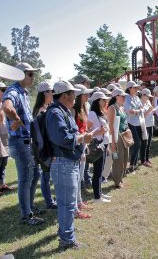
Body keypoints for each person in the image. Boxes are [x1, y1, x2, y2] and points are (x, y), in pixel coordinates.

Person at [46, 80, 93, 249]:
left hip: (67, 162)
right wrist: (82, 138)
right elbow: (62, 139)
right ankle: (67, 240)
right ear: (64, 95)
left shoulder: (62, 111)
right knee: (66, 204)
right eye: (73, 94)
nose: (76, 97)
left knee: (69, 203)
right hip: (63, 163)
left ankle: (67, 232)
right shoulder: (56, 113)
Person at [2, 62, 45, 225]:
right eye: (30, 74)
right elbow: (6, 106)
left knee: (35, 175)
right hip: (20, 142)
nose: (32, 77)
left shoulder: (24, 93)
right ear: (20, 74)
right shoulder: (13, 91)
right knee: (26, 179)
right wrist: (16, 119)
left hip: (27, 142)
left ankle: (30, 207)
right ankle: (26, 215)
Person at [32, 81, 56, 209]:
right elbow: (43, 134)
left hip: (47, 147)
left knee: (46, 175)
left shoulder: (46, 108)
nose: (52, 93)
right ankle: (49, 202)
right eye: (50, 91)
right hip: (44, 148)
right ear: (43, 93)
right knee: (45, 175)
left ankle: (50, 200)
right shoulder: (41, 110)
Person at [72, 84, 94, 218]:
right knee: (76, 178)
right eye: (85, 94)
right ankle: (75, 206)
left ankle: (79, 202)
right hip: (78, 145)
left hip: (83, 144)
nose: (88, 96)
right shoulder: (74, 111)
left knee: (80, 176)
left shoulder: (83, 108)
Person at [88, 91, 111, 203]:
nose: (106, 101)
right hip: (97, 144)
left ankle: (100, 193)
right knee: (97, 171)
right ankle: (97, 196)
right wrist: (99, 132)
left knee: (100, 170)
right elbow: (88, 131)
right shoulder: (92, 113)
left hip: (104, 143)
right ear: (97, 101)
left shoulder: (101, 112)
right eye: (103, 100)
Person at [107, 88, 129, 188]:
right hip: (116, 137)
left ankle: (120, 178)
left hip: (125, 135)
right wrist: (113, 143)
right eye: (122, 96)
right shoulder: (112, 108)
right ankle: (117, 181)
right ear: (116, 97)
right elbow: (111, 126)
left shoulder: (122, 107)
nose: (124, 98)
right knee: (117, 159)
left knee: (125, 158)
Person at [124, 81, 143, 172]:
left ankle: (134, 164)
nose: (137, 89)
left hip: (138, 122)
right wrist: (137, 111)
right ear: (129, 88)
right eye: (135, 88)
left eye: (137, 88)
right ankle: (132, 164)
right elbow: (129, 111)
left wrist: (137, 111)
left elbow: (141, 108)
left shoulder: (136, 97)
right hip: (130, 123)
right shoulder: (126, 98)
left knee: (137, 144)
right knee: (136, 144)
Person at [140, 88, 154, 167]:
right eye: (147, 96)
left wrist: (152, 110)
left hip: (150, 124)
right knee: (144, 143)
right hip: (144, 125)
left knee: (149, 142)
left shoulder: (148, 102)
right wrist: (149, 110)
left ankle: (147, 158)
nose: (148, 98)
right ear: (143, 95)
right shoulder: (140, 103)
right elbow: (142, 116)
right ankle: (143, 160)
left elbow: (150, 111)